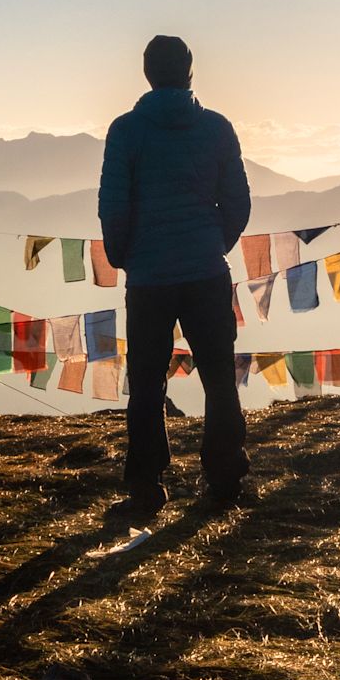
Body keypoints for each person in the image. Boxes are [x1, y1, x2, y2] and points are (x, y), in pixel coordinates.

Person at [98, 35, 251, 518]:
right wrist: (210, 244)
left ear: (147, 74)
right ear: (190, 72)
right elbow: (239, 204)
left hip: (148, 278)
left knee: (146, 382)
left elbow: (112, 207)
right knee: (219, 378)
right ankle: (224, 477)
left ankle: (146, 484)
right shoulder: (217, 129)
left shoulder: (125, 131)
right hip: (207, 273)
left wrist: (128, 257)